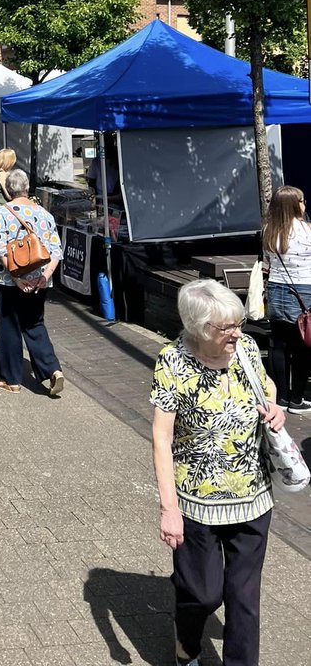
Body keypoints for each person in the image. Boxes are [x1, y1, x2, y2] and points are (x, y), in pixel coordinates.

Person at [151, 279, 285, 666]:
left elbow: (267, 386)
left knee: (244, 601)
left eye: (237, 324)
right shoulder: (172, 361)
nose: (236, 333)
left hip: (252, 495)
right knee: (204, 594)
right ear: (198, 327)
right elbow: (162, 438)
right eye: (225, 328)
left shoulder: (244, 348)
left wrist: (275, 408)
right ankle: (186, 642)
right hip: (197, 503)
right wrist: (169, 508)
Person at [0, 168, 64, 397]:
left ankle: (10, 379)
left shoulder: (2, 212)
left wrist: (16, 277)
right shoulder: (44, 214)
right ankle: (52, 369)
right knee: (34, 324)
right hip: (39, 280)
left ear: (8, 190)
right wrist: (45, 276)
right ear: (27, 188)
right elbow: (56, 251)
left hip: (9, 280)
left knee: (9, 325)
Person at [261, 185, 311, 413]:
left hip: (276, 289)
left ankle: (281, 396)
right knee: (303, 345)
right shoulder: (307, 231)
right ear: (294, 205)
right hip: (303, 291)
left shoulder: (268, 231)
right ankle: (297, 399)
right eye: (302, 201)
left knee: (279, 344)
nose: (305, 204)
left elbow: (267, 263)